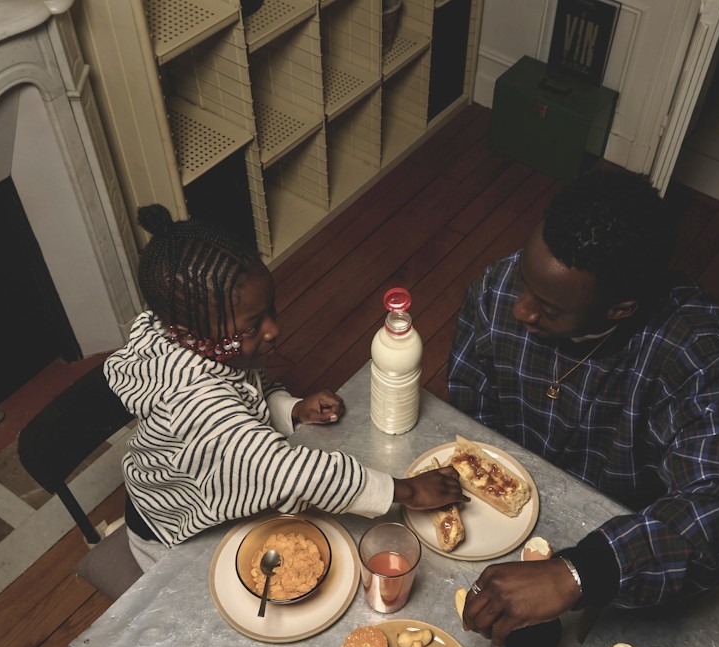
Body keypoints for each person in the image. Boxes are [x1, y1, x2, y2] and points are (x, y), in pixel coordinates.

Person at [448, 168, 719, 645]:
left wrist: (577, 574)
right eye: (525, 280)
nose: (520, 311)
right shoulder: (497, 289)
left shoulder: (692, 350)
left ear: (620, 309)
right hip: (499, 529)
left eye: (550, 309)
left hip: (621, 552)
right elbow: (468, 415)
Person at [106, 205, 464, 568]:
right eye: (251, 327)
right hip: (173, 531)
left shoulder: (194, 341)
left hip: (201, 473)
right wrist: (406, 490)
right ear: (187, 334)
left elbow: (245, 392)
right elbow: (289, 472)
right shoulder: (198, 403)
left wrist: (289, 408)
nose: (273, 330)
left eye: (271, 310)